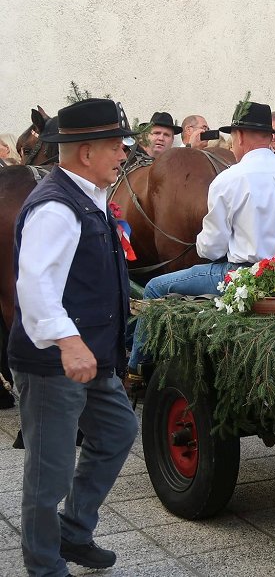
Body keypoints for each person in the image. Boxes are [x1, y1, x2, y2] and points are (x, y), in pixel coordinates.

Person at [6, 98, 139, 575]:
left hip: (91, 357)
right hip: (55, 362)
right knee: (49, 473)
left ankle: (74, 532)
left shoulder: (88, 195)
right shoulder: (57, 207)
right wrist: (69, 342)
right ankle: (44, 566)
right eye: (116, 147)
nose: (124, 154)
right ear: (86, 153)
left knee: (120, 431)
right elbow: (34, 285)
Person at [129, 101, 275, 372]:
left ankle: (136, 370)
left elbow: (210, 248)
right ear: (271, 137)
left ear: (238, 137)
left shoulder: (229, 179)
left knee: (155, 287)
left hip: (240, 277)